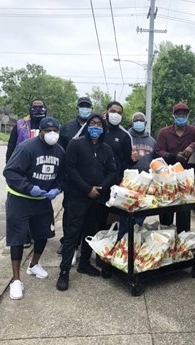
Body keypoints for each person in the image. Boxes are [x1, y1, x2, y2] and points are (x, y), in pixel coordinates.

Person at [3, 117, 65, 300]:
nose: (52, 133)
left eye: (55, 130)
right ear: (41, 132)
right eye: (48, 130)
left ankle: (34, 265)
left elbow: (62, 176)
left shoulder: (60, 151)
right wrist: (28, 187)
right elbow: (10, 172)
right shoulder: (26, 148)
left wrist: (58, 188)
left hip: (42, 200)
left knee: (43, 233)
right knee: (18, 238)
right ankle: (16, 280)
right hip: (20, 199)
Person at [57, 113, 117, 291]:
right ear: (87, 125)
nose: (96, 127)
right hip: (77, 197)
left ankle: (84, 263)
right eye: (92, 123)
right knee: (72, 235)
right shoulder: (76, 144)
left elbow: (112, 172)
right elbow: (70, 169)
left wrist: (100, 188)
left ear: (103, 128)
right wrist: (86, 189)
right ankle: (64, 272)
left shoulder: (106, 148)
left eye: (99, 124)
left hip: (97, 198)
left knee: (90, 232)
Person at [155, 102, 195, 231]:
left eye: (184, 114)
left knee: (184, 211)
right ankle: (166, 238)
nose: (181, 117)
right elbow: (158, 151)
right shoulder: (165, 133)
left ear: (188, 116)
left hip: (186, 179)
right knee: (166, 212)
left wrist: (192, 146)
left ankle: (182, 241)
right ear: (174, 116)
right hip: (167, 178)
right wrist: (173, 156)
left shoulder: (193, 131)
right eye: (178, 114)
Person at [6, 98, 48, 248]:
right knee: (22, 208)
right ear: (30, 108)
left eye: (40, 107)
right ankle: (25, 237)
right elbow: (11, 149)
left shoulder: (50, 126)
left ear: (45, 108)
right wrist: (10, 170)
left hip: (43, 171)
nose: (38, 109)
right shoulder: (20, 125)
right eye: (35, 107)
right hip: (22, 172)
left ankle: (38, 234)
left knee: (39, 207)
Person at [56, 96, 93, 259]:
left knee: (88, 214)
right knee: (69, 213)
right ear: (77, 108)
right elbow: (59, 152)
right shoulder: (66, 128)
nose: (85, 109)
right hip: (71, 178)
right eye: (82, 106)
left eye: (88, 106)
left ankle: (84, 245)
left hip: (91, 178)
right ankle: (68, 243)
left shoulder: (94, 125)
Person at [98, 101, 138, 237]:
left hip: (114, 184)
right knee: (93, 219)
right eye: (113, 111)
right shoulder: (97, 129)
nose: (116, 115)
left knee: (112, 219)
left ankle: (109, 246)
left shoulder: (125, 135)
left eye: (119, 113)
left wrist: (134, 159)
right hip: (94, 181)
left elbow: (129, 161)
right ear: (106, 112)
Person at [128, 111, 156, 227]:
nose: (138, 122)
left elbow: (155, 161)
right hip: (130, 182)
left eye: (141, 120)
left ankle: (136, 235)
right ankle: (125, 237)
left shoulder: (152, 141)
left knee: (142, 211)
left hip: (146, 183)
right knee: (128, 211)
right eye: (136, 120)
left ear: (145, 123)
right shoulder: (126, 138)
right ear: (132, 123)